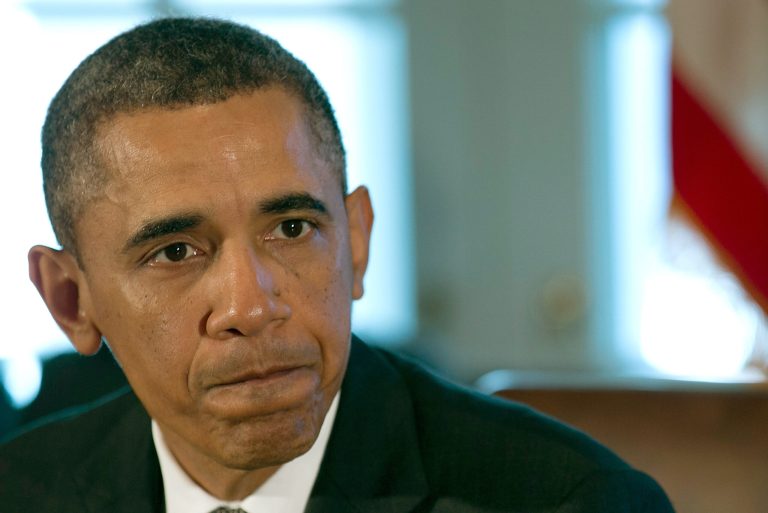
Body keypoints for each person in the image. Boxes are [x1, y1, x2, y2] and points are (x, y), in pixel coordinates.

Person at [0, 17, 675, 513]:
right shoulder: (20, 489)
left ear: (354, 243)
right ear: (70, 299)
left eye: (292, 228)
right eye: (175, 252)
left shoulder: (572, 501)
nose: (251, 304)